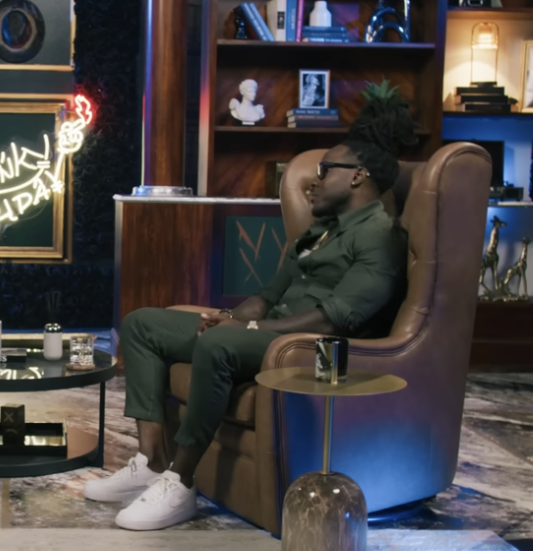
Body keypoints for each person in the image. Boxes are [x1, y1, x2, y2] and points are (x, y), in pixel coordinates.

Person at [84, 91, 416, 531]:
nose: (313, 182)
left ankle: (179, 482)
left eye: (324, 171)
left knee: (219, 344)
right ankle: (150, 460)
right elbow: (268, 291)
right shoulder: (321, 231)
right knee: (143, 324)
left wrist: (251, 326)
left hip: (309, 347)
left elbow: (334, 319)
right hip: (268, 330)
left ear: (358, 176)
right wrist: (235, 316)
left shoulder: (379, 236)